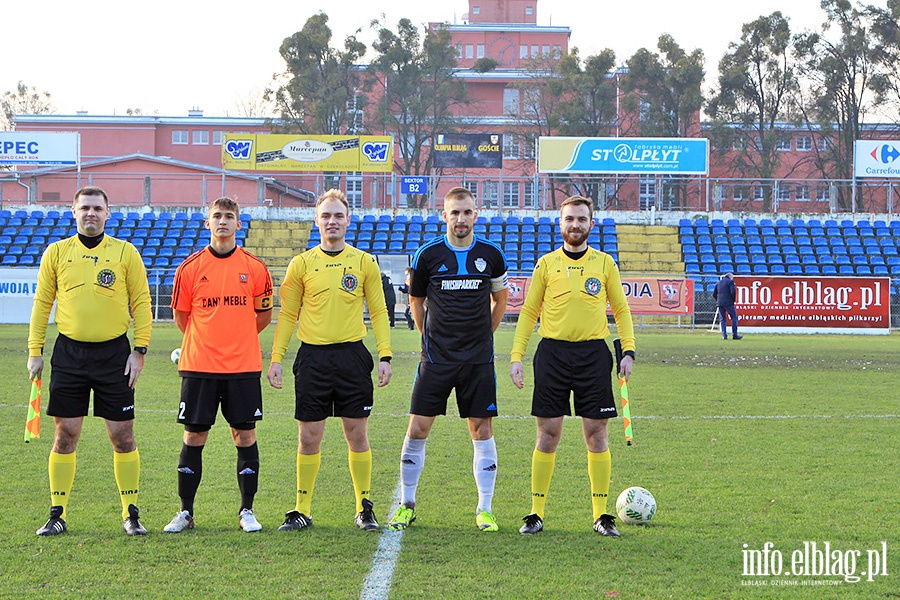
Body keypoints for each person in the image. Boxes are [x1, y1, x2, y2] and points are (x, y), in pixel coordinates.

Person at [27, 186, 152, 536]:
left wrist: (139, 350)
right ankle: (57, 513)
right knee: (65, 434)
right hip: (69, 355)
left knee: (122, 435)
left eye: (98, 208)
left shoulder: (126, 252)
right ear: (73, 211)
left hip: (115, 356)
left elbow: (142, 303)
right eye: (85, 208)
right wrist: (34, 351)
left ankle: (131, 513)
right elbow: (42, 304)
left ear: (108, 213)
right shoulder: (57, 252)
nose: (91, 214)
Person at [509, 195, 635, 537]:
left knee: (597, 434)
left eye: (581, 219)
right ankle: (535, 513)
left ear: (591, 224)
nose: (575, 225)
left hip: (594, 355)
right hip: (552, 355)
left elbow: (621, 311)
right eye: (569, 219)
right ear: (560, 224)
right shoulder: (546, 264)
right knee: (548, 434)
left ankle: (601, 514)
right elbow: (528, 312)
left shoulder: (605, 263)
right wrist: (516, 357)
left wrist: (628, 352)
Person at [268, 189, 392, 532]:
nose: (332, 221)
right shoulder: (302, 264)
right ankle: (302, 509)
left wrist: (385, 355)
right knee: (309, 436)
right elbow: (288, 314)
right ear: (316, 220)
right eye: (326, 216)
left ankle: (363, 506)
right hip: (313, 358)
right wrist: (277, 358)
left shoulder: (364, 262)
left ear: (348, 220)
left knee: (357, 433)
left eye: (338, 215)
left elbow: (379, 312)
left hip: (353, 356)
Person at [388, 187, 509, 533]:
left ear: (476, 214)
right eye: (454, 212)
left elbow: (499, 301)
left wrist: (484, 334)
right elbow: (416, 302)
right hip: (436, 359)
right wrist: (428, 338)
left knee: (481, 429)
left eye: (467, 212)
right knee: (418, 428)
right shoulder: (427, 256)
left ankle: (484, 509)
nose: (461, 218)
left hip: (477, 360)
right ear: (444, 215)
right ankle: (407, 504)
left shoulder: (492, 255)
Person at [164, 197, 274, 534]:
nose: (223, 221)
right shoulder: (190, 268)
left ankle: (247, 511)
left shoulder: (255, 268)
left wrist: (236, 336)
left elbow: (264, 315)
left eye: (229, 216)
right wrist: (209, 340)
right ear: (207, 223)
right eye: (217, 216)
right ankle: (185, 513)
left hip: (242, 367)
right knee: (194, 435)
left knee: (244, 435)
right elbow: (182, 317)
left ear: (238, 224)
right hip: (200, 366)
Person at [713, 272, 742, 340]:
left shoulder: (718, 283)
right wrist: (732, 300)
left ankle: (724, 335)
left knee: (722, 319)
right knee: (734, 317)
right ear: (730, 277)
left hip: (720, 303)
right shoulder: (730, 282)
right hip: (728, 303)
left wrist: (718, 300)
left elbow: (714, 294)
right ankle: (734, 334)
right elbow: (733, 292)